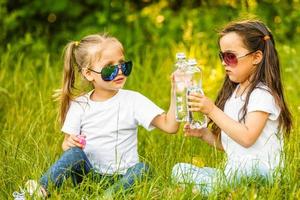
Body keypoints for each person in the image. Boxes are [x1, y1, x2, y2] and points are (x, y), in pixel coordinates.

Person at [15, 33, 179, 198]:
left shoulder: (133, 100)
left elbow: (170, 126)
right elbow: (67, 146)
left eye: (123, 64)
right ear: (88, 74)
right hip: (89, 178)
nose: (120, 70)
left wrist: (176, 92)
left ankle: (107, 196)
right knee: (74, 155)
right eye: (109, 67)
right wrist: (69, 143)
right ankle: (39, 191)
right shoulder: (80, 105)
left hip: (124, 178)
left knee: (142, 169)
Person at [171, 19, 292, 195]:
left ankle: (211, 189)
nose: (223, 63)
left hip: (263, 172)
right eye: (222, 56)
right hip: (234, 173)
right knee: (179, 169)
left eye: (230, 56)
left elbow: (247, 138)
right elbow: (233, 145)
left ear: (256, 57)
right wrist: (205, 134)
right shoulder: (233, 96)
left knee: (246, 169)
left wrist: (212, 110)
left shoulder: (262, 94)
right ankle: (222, 188)